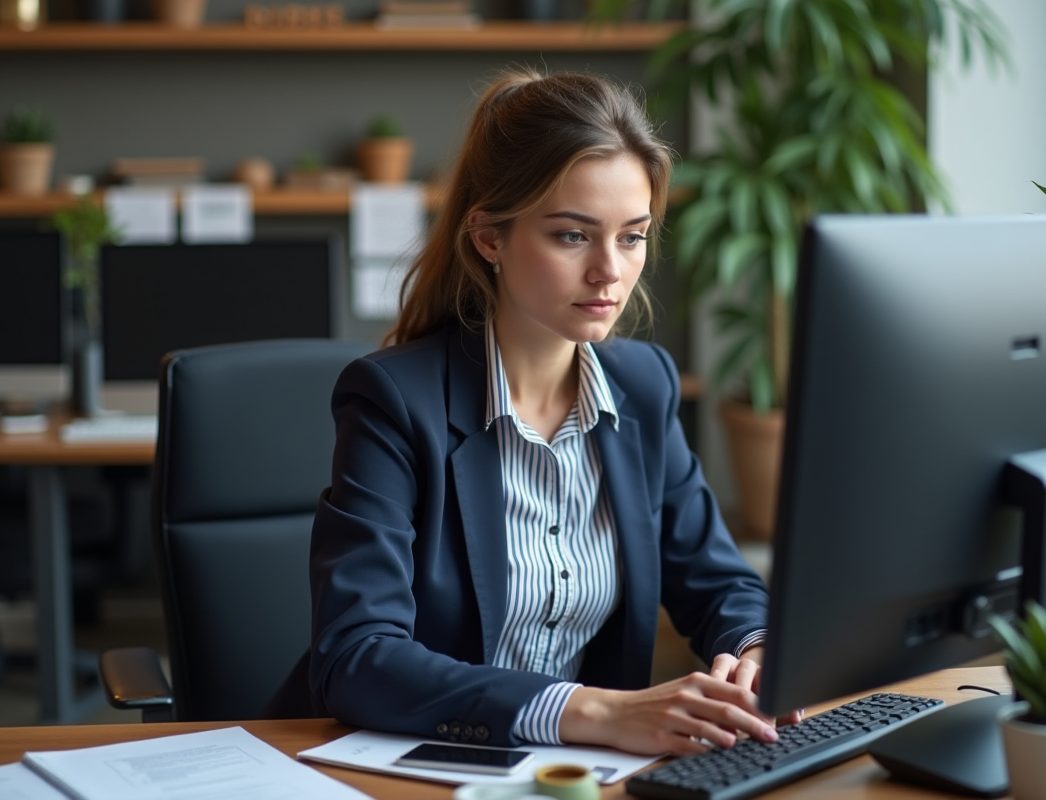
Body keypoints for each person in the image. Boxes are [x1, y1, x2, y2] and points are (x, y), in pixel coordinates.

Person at [307, 68, 797, 757]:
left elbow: (716, 579)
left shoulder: (645, 386)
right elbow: (356, 657)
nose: (610, 271)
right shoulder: (393, 400)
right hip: (417, 767)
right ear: (489, 238)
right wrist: (595, 711)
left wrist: (755, 646)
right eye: (572, 236)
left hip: (573, 776)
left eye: (632, 236)